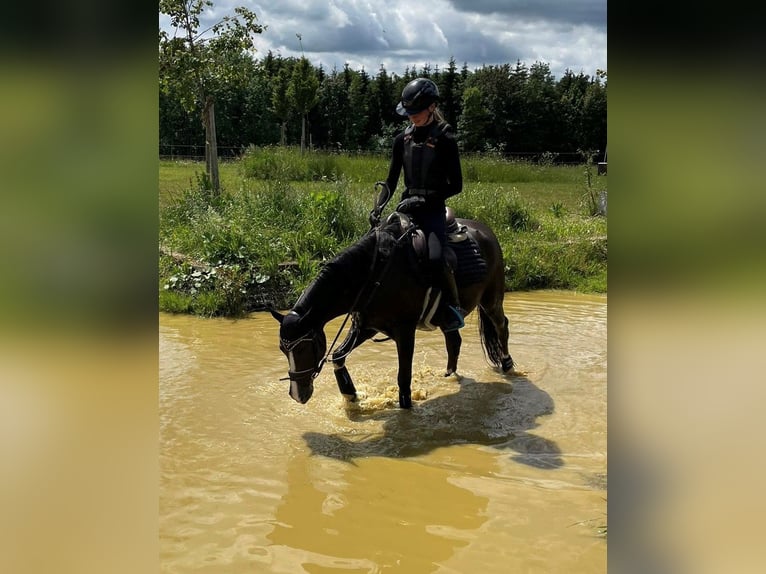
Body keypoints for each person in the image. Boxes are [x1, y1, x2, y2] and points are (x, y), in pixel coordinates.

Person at [385, 77, 465, 332]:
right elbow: (390, 182)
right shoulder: (401, 140)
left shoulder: (445, 138)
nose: (412, 117)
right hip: (405, 208)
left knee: (435, 256)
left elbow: (456, 185)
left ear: (432, 107)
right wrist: (379, 207)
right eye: (408, 113)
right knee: (378, 249)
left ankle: (453, 308)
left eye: (416, 112)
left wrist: (425, 199)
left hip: (431, 210)